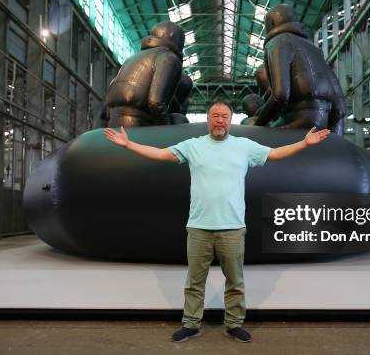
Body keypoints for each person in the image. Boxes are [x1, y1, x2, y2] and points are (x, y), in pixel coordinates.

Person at [103, 101, 330, 343]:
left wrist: (305, 143)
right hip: (199, 226)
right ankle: (191, 324)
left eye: (224, 116)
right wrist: (128, 145)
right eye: (215, 116)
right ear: (209, 119)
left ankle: (234, 324)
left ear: (230, 120)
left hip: (232, 227)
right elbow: (160, 154)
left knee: (235, 281)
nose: (219, 120)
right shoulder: (193, 146)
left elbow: (274, 154)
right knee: (194, 281)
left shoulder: (244, 147)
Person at [254, 4, 346, 133]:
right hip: (323, 121)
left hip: (296, 119)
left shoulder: (277, 42)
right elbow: (340, 107)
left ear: (271, 23)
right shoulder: (314, 49)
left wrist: (258, 124)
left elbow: (280, 95)